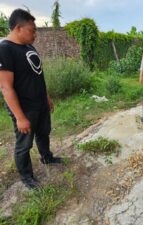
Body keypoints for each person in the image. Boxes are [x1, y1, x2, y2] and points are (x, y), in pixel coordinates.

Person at [0, 9, 62, 189]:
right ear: (19, 28)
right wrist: (20, 117)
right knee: (24, 145)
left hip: (40, 103)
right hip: (25, 107)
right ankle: (27, 177)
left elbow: (38, 75)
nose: (35, 34)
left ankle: (47, 157)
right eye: (32, 30)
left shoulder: (29, 47)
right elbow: (5, 87)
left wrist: (47, 97)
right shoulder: (5, 50)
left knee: (44, 133)